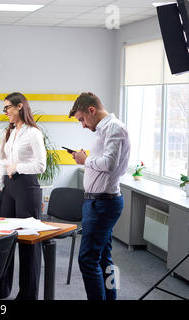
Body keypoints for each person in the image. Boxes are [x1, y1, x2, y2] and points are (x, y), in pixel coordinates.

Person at [69, 92, 130, 300]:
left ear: (92, 110)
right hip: (98, 201)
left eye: (82, 119)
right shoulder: (105, 130)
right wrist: (86, 159)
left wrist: (86, 160)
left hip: (103, 203)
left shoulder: (114, 128)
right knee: (104, 257)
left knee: (87, 260)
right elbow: (103, 161)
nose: (83, 125)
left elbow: (109, 163)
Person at [0, 92, 46, 300]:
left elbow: (41, 165)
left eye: (7, 108)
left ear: (20, 106)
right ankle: (1, 289)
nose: (5, 112)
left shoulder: (33, 133)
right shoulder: (11, 132)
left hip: (27, 187)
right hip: (9, 189)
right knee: (4, 239)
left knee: (28, 242)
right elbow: (4, 164)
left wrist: (17, 166)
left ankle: (28, 294)